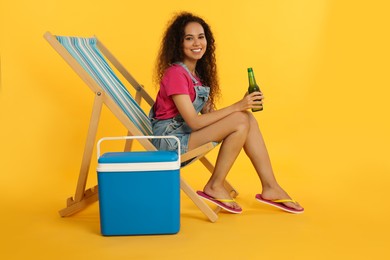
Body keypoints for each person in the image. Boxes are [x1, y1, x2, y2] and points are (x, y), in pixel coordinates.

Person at [149, 12, 304, 214]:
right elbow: (195, 122)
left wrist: (242, 106)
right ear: (178, 44)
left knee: (246, 118)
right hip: (170, 141)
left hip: (185, 135)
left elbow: (212, 115)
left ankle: (270, 185)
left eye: (201, 36)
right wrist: (238, 106)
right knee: (241, 117)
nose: (197, 42)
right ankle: (215, 185)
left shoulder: (197, 75)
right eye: (189, 38)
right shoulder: (176, 74)